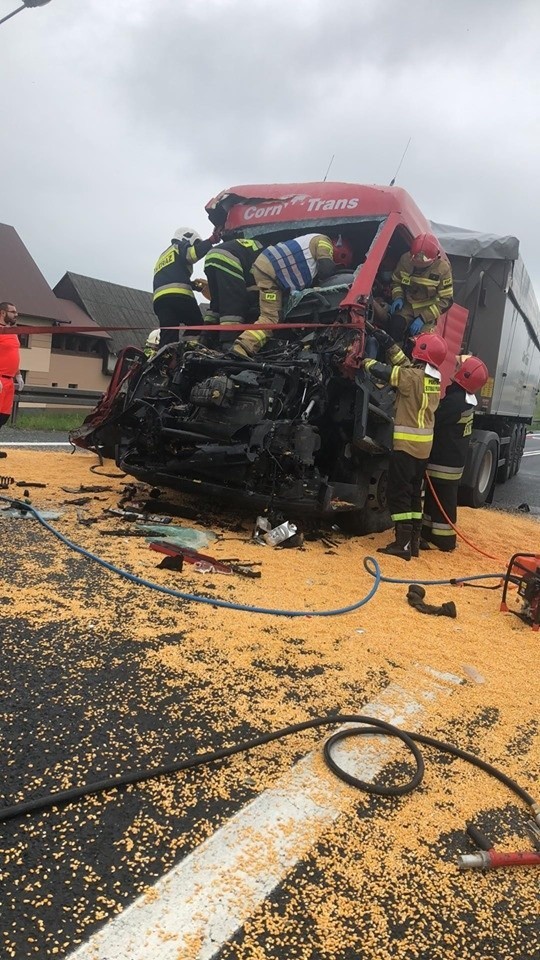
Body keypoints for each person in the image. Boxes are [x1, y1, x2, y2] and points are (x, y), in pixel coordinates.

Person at [362, 330, 448, 560]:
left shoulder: (411, 378)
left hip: (406, 446)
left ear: (422, 353)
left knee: (398, 494)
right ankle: (414, 543)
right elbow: (406, 365)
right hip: (422, 448)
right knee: (412, 495)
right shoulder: (432, 378)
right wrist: (388, 342)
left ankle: (402, 544)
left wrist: (365, 359)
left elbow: (385, 372)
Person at [230, 234, 354, 359]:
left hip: (267, 271)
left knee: (270, 317)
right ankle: (242, 347)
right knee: (271, 319)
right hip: (271, 271)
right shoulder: (324, 241)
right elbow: (327, 269)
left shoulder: (309, 248)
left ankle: (244, 347)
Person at [421, 355, 489, 551]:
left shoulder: (455, 402)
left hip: (444, 461)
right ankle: (428, 533)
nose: (455, 368)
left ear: (465, 375)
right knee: (437, 501)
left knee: (442, 502)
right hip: (452, 461)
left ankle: (444, 540)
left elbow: (433, 418)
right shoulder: (465, 400)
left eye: (459, 367)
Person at [152, 226, 221, 347]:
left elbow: (171, 278)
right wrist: (211, 240)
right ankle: (188, 350)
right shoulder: (179, 246)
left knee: (169, 334)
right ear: (187, 237)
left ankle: (166, 361)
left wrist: (194, 285)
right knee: (196, 326)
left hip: (160, 301)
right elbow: (191, 255)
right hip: (180, 297)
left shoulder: (163, 256)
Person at [387, 233, 453, 343]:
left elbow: (446, 300)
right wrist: (398, 296)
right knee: (395, 326)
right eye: (416, 263)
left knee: (419, 343)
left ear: (435, 258)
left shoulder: (442, 269)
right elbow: (396, 281)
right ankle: (391, 357)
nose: (418, 268)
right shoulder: (405, 260)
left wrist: (423, 318)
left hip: (428, 309)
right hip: (407, 304)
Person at [203, 238, 263, 336]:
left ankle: (206, 336)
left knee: (216, 304)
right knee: (233, 307)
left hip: (211, 256)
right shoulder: (270, 255)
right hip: (229, 258)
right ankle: (229, 342)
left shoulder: (250, 245)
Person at [0, 302, 24, 458]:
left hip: (9, 381)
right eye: (13, 311)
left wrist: (18, 374)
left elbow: (14, 356)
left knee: (3, 416)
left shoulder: (13, 332)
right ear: (2, 313)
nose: (16, 314)